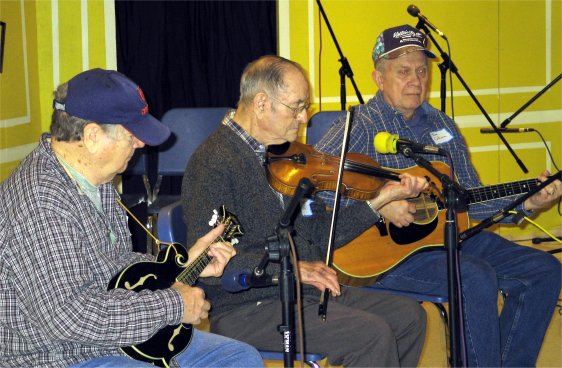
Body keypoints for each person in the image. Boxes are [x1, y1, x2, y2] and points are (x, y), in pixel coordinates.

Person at [315, 24, 562, 367]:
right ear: (378, 77)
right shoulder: (359, 126)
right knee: (473, 277)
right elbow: (313, 190)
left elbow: (469, 198)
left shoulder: (442, 125)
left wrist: (527, 201)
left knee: (544, 269)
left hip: (450, 238)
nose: (416, 80)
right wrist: (378, 207)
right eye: (403, 72)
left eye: (421, 70)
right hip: (385, 256)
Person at [0, 68, 263, 368]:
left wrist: (185, 266)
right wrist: (174, 304)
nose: (141, 144)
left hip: (110, 341)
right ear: (92, 136)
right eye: (131, 135)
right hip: (58, 358)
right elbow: (69, 316)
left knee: (240, 357)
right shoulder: (41, 202)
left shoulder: (95, 180)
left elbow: (114, 274)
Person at [181, 55, 430, 367]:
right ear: (261, 104)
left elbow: (320, 232)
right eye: (296, 107)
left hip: (304, 290)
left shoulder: (284, 158)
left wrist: (377, 202)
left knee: (409, 317)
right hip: (246, 306)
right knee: (372, 335)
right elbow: (213, 265)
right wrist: (292, 269)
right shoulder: (213, 163)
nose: (304, 119)